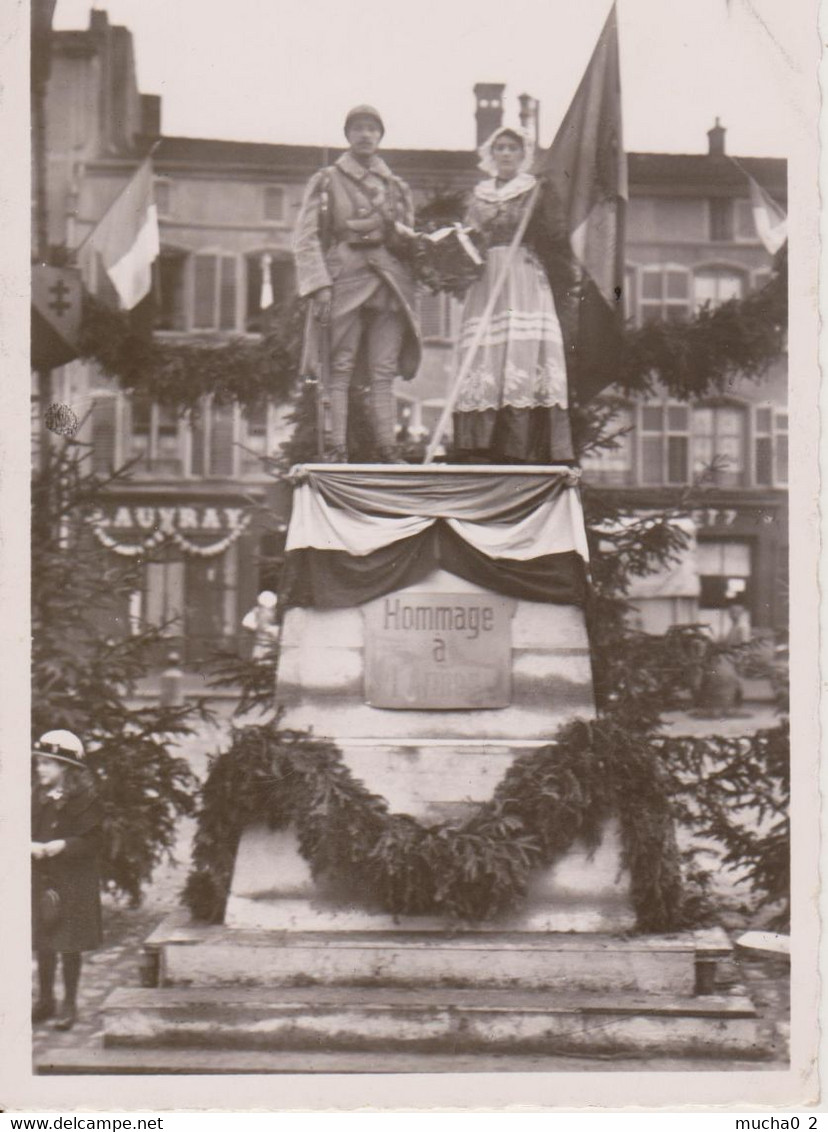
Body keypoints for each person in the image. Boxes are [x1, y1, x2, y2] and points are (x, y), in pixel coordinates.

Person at [294, 105, 421, 462]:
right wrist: (318, 284)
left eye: (372, 128)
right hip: (344, 277)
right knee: (340, 366)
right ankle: (337, 447)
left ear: (381, 136)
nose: (365, 134)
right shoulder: (327, 180)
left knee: (384, 369)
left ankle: (389, 448)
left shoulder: (395, 187)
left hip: (389, 281)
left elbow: (408, 242)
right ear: (347, 135)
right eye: (358, 128)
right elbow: (305, 238)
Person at [451, 126, 574, 464]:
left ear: (523, 155)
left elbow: (556, 236)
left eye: (512, 148)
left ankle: (521, 445)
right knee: (486, 354)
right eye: (500, 148)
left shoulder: (535, 190)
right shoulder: (477, 196)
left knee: (521, 352)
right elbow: (467, 240)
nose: (505, 154)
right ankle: (478, 443)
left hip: (523, 272)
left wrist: (545, 206)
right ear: (491, 155)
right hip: (487, 277)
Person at [31, 730, 103, 1031]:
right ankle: (45, 998)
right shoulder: (37, 796)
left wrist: (65, 845)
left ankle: (69, 1003)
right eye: (39, 762)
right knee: (44, 939)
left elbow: (95, 841)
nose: (40, 768)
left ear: (65, 768)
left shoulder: (85, 800)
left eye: (47, 763)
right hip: (42, 876)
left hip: (73, 879)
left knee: (69, 941)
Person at [241, 590, 280, 660]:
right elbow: (246, 623)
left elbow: (246, 623)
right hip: (261, 643)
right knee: (261, 661)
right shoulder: (256, 611)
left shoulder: (269, 612)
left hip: (269, 645)